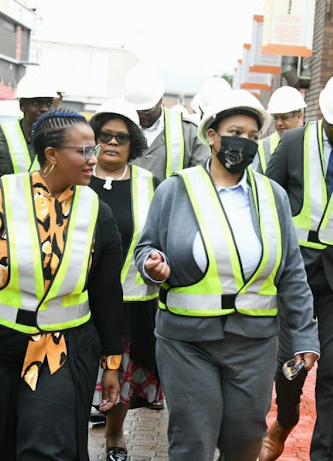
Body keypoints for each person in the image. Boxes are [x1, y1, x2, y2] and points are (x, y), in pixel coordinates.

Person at [0, 108, 125, 460]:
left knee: (48, 446)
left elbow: (108, 294)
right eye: (84, 151)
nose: (94, 159)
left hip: (64, 349)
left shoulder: (96, 211)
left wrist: (111, 362)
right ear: (51, 154)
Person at [134, 89, 320, 461]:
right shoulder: (175, 190)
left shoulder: (273, 196)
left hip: (254, 342)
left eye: (253, 137)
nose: (245, 143)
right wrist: (151, 264)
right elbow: (145, 249)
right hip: (187, 341)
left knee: (244, 438)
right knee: (194, 439)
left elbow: (292, 272)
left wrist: (304, 336)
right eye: (236, 132)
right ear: (212, 135)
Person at [261, 70, 333, 461]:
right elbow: (265, 202)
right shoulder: (292, 143)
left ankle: (321, 455)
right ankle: (286, 418)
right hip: (294, 273)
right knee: (290, 367)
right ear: (321, 115)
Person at [87, 98, 163, 461]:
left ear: (134, 143)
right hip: (78, 301)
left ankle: (115, 434)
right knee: (79, 371)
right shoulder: (76, 176)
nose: (112, 143)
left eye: (121, 137)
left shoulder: (151, 184)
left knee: (122, 372)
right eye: (105, 136)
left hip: (132, 300)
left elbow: (161, 237)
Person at [0, 74, 58, 204]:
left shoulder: (60, 142)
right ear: (22, 106)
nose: (44, 109)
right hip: (4, 221)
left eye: (49, 103)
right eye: (36, 102)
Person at [122, 64, 207, 181]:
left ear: (160, 100)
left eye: (147, 110)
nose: (141, 115)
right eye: (136, 111)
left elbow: (200, 178)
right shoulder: (118, 128)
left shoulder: (188, 132)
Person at [255, 85, 306, 173]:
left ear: (299, 116)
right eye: (275, 118)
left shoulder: (312, 142)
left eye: (284, 117)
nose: (279, 123)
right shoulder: (263, 146)